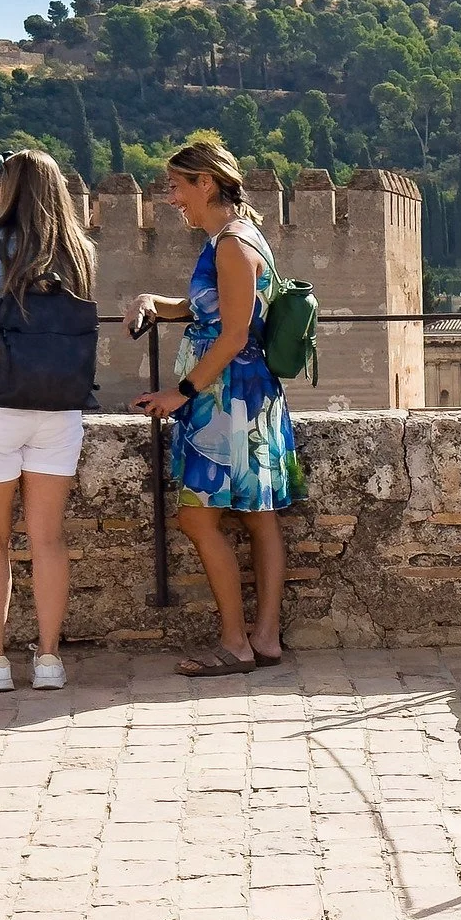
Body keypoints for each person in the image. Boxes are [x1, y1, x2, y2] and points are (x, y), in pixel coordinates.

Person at [126, 141, 303, 677]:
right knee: (259, 515)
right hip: (251, 395)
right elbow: (222, 305)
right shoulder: (243, 237)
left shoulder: (229, 245)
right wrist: (160, 303)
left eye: (177, 186)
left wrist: (181, 392)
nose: (172, 198)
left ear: (206, 183)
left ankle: (235, 644)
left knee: (197, 517)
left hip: (226, 398)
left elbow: (231, 334)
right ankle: (265, 638)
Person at [0, 151, 97, 692]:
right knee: (48, 537)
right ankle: (49, 660)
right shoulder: (80, 252)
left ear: (9, 188)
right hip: (60, 404)